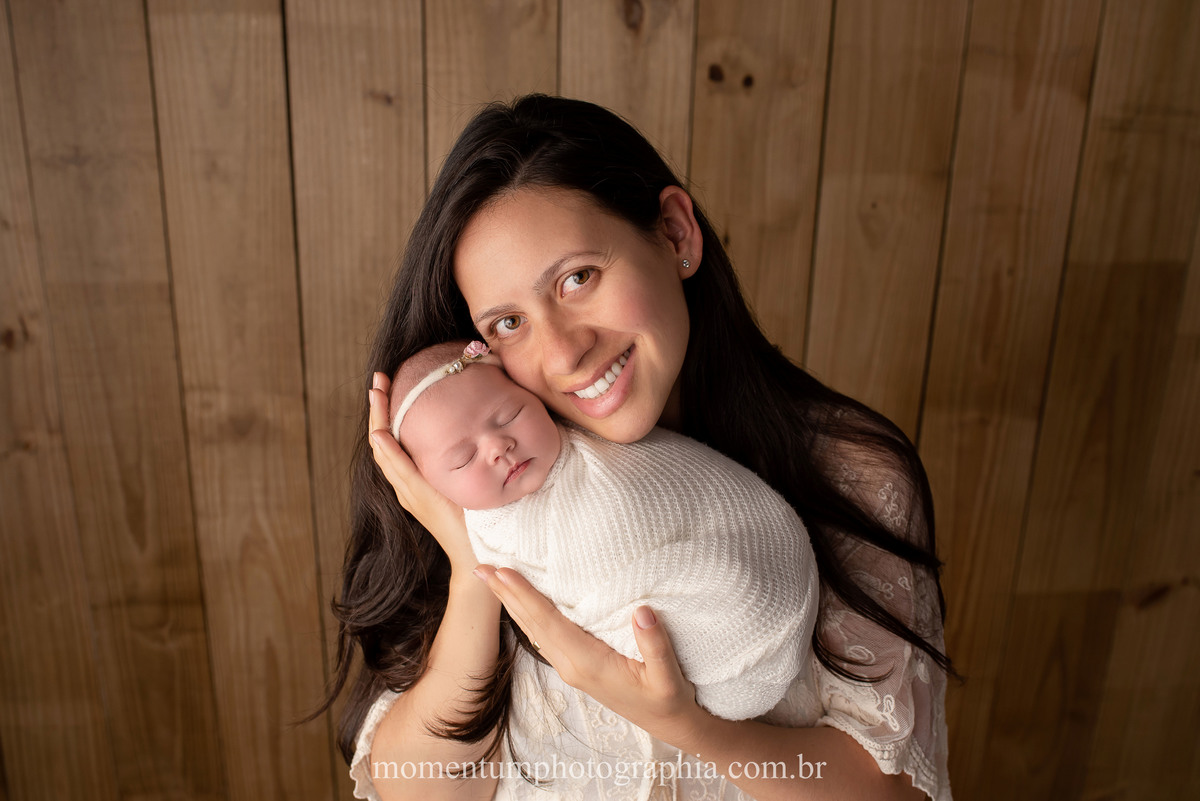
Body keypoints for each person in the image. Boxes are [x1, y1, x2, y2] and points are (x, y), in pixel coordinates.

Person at [329, 94, 954, 801]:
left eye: (577, 278)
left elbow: (893, 791)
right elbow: (420, 789)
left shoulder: (854, 473)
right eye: (508, 321)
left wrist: (691, 726)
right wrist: (475, 563)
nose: (563, 351)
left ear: (676, 234)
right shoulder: (489, 474)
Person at [387, 338, 819, 723]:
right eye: (463, 459)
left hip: (757, 583)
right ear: (426, 488)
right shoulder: (479, 537)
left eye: (509, 415)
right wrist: (467, 562)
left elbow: (641, 516)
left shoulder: (591, 445)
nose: (498, 447)